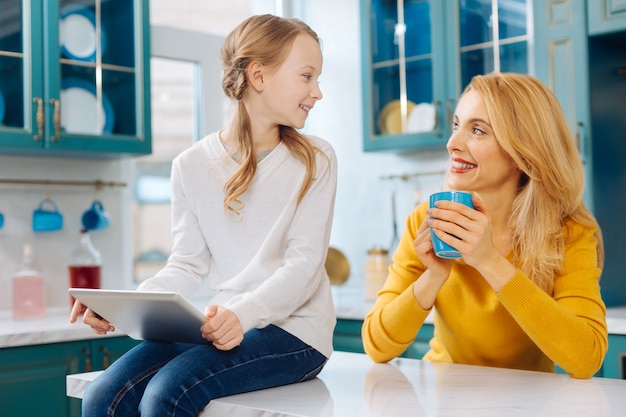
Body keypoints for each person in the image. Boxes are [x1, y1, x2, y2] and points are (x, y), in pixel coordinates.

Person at [70, 14, 337, 416]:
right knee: (102, 395)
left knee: (166, 395)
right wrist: (125, 307)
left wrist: (241, 314)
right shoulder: (190, 165)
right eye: (307, 76)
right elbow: (186, 264)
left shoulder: (316, 159)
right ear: (259, 76)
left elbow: (304, 267)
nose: (317, 92)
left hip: (296, 334)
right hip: (222, 325)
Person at [362, 72, 607, 379]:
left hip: (529, 404)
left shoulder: (567, 232)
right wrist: (434, 275)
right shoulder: (427, 219)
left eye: (478, 131)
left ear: (523, 153)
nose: (452, 143)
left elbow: (586, 358)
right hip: (444, 402)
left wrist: (489, 261)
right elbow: (376, 346)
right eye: (456, 125)